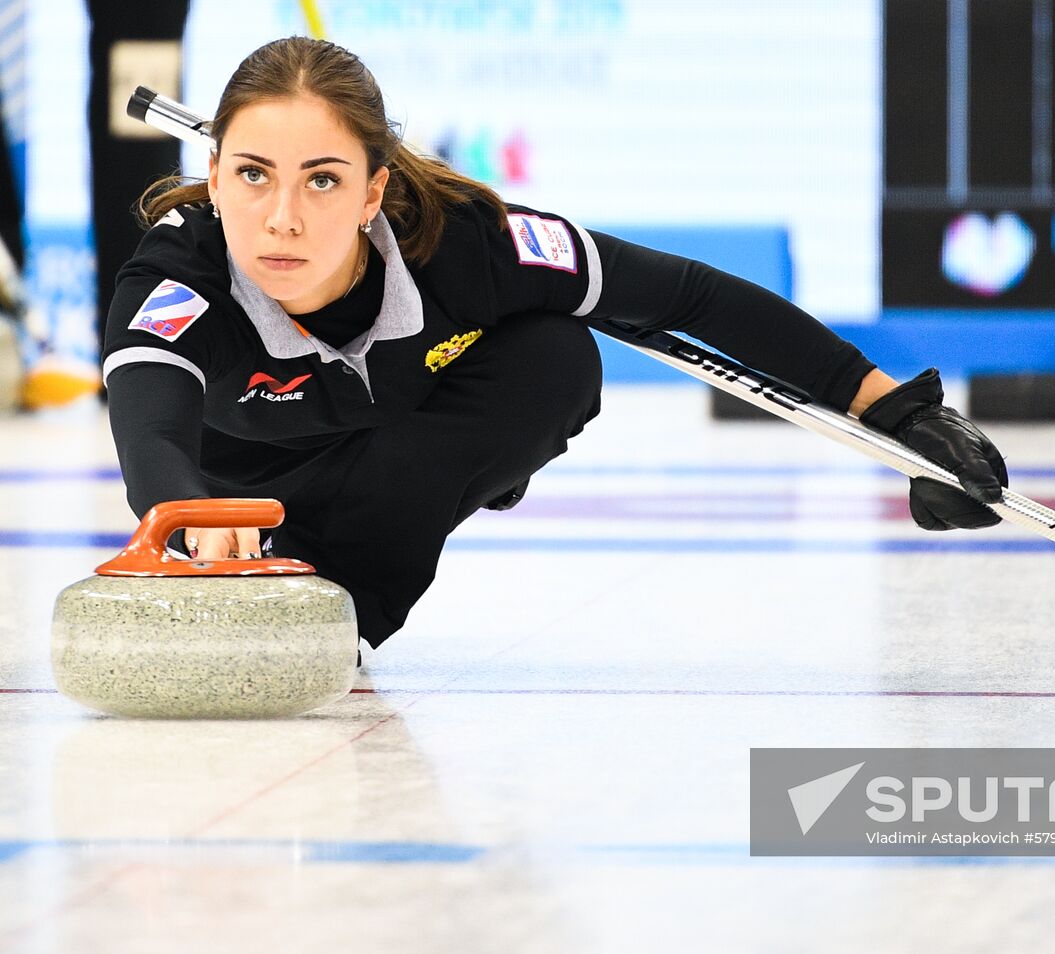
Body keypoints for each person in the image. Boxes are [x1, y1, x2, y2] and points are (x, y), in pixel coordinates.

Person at [103, 37, 1008, 655]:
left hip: (395, 469)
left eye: (324, 180)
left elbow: (688, 295)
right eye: (252, 176)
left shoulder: (468, 244)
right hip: (243, 512)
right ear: (212, 177)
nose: (283, 218)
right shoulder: (179, 279)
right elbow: (151, 439)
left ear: (376, 193)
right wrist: (197, 527)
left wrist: (894, 410)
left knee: (556, 353)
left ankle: (344, 613)